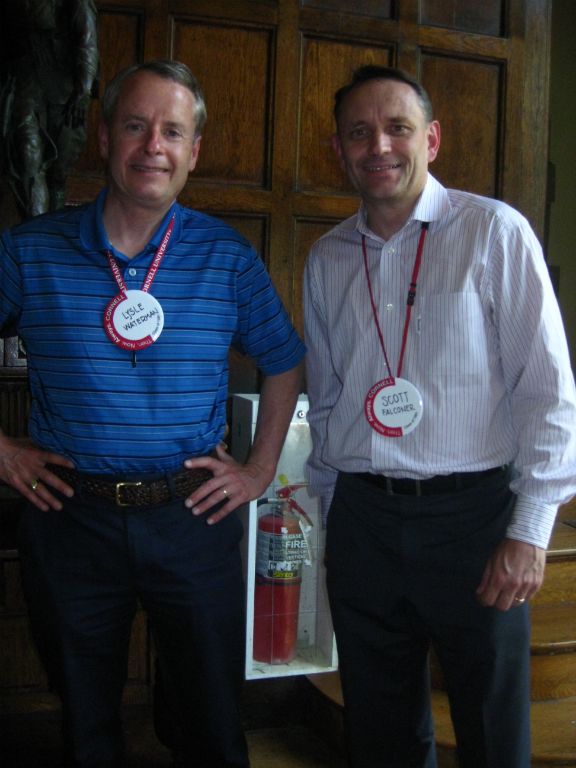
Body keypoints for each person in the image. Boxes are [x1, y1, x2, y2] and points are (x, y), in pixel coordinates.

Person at [0, 60, 305, 768]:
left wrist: (259, 470)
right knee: (87, 727)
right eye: (136, 126)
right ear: (105, 137)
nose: (153, 147)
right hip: (70, 518)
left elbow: (285, 361)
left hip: (192, 517)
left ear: (193, 151)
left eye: (172, 131)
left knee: (213, 727)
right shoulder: (29, 251)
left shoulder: (227, 257)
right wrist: (3, 452)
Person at [303, 65, 576, 768]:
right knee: (380, 730)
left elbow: (548, 392)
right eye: (358, 132)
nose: (378, 146)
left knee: (492, 729)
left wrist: (530, 531)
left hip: (473, 522)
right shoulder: (328, 258)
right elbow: (328, 400)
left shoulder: (494, 232)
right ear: (338, 150)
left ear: (431, 139)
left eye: (397, 128)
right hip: (365, 520)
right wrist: (332, 520)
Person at [0, 0, 99, 217]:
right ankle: (33, 232)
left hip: (62, 92)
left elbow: (87, 40)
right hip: (23, 86)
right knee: (28, 157)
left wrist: (83, 90)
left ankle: (52, 230)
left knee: (57, 174)